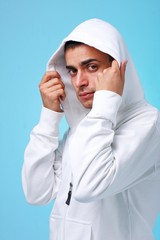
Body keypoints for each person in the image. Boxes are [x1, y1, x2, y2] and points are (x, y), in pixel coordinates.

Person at [22, 18, 160, 240]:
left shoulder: (147, 125)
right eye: (73, 71)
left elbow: (89, 187)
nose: (79, 82)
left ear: (119, 67)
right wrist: (49, 116)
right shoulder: (85, 128)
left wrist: (107, 101)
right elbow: (37, 192)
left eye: (92, 67)